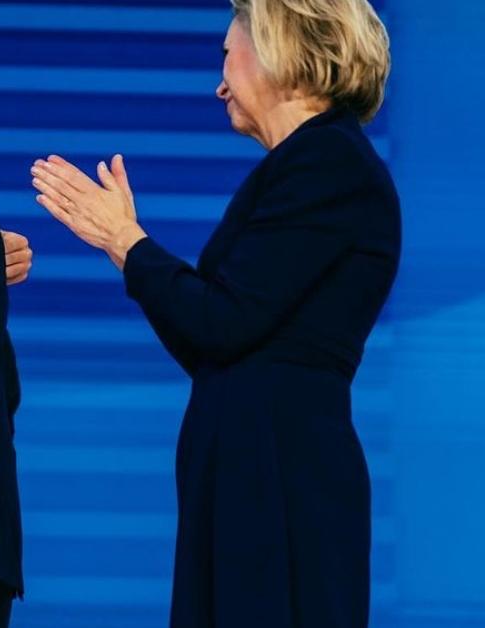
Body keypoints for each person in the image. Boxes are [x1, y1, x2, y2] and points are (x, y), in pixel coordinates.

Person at [31, 1, 398, 626]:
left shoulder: (327, 163)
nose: (220, 82)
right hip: (253, 469)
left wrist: (126, 241)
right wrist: (127, 248)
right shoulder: (303, 166)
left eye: (228, 55)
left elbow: (220, 322)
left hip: (280, 480)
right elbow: (210, 343)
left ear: (280, 50)